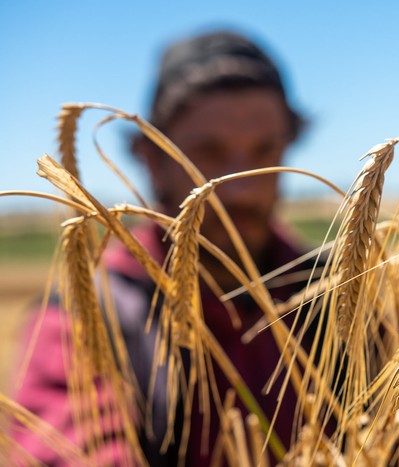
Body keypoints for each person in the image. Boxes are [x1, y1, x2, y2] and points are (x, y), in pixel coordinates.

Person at [13, 29, 318, 466]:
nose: (240, 189)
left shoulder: (338, 293)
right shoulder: (89, 311)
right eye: (208, 154)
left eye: (264, 151)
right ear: (151, 159)